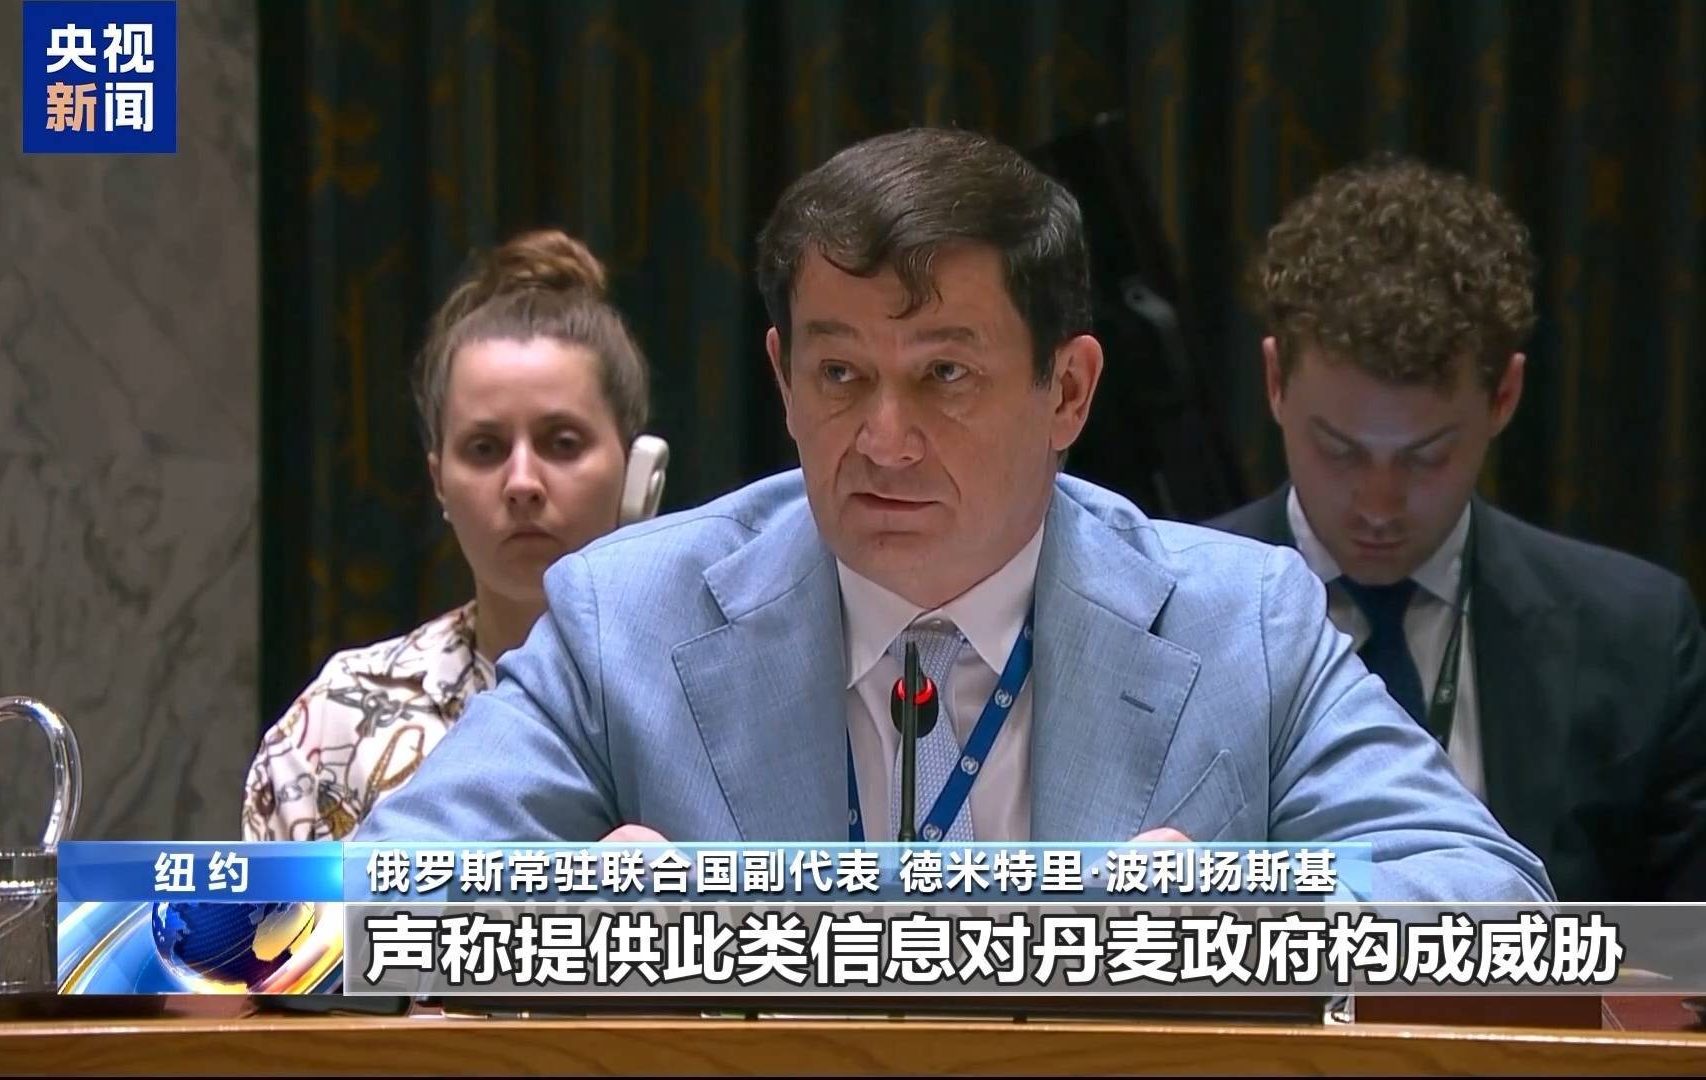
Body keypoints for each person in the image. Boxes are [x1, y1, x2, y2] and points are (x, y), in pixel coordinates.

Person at [356, 129, 1551, 903]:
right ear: (782, 380)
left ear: (1068, 391)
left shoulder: (1244, 624)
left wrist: (1242, 906)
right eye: (840, 375)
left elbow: (1493, 900)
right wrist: (566, 907)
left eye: (945, 375)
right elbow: (349, 898)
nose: (883, 439)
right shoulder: (629, 617)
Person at [1207, 154, 1706, 900]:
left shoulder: (1640, 638)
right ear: (1275, 382)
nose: (1379, 504)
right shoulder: (1155, 613)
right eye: (1338, 450)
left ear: (1505, 397)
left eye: (1427, 456)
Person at [243, 229, 668, 840]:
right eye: (485, 449)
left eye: (562, 443)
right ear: (438, 480)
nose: (522, 483)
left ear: (639, 473)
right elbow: (272, 911)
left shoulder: (713, 693)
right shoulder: (336, 724)